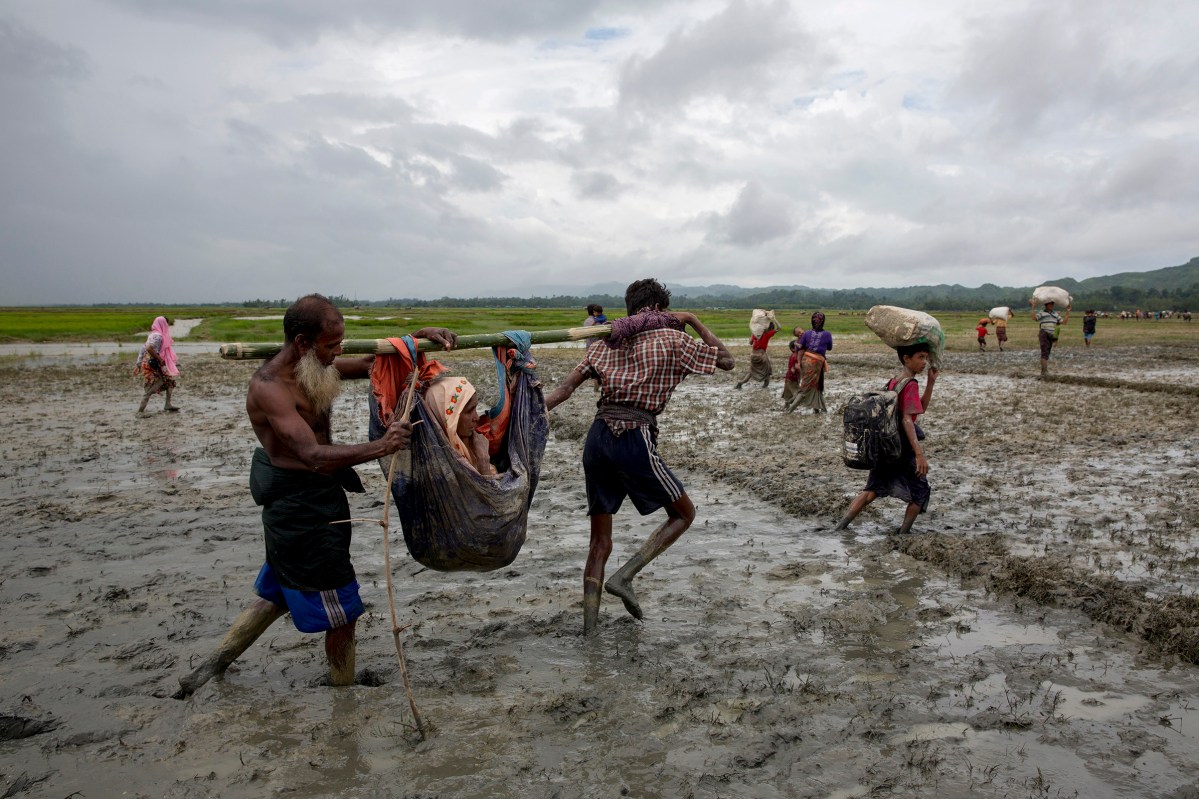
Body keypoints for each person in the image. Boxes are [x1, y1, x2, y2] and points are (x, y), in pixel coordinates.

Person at [174, 294, 455, 698]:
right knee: (342, 610)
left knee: (277, 591)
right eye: (331, 345)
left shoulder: (316, 365)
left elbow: (370, 364)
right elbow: (313, 456)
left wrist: (414, 341)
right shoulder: (271, 388)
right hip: (299, 506)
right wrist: (383, 444)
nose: (339, 351)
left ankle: (208, 668)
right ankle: (344, 694)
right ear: (303, 343)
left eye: (341, 343)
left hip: (317, 496)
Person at [543, 279, 734, 635]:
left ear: (630, 309)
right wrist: (691, 319)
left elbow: (565, 390)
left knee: (599, 542)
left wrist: (524, 414)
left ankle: (589, 632)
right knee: (684, 513)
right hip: (635, 437)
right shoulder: (675, 341)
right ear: (662, 310)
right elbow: (727, 361)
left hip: (597, 440)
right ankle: (624, 576)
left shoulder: (603, 344)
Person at [836, 342, 939, 535]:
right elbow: (908, 420)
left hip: (885, 446)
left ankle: (840, 527)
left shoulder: (893, 382)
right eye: (920, 357)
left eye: (926, 357)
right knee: (920, 492)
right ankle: (903, 535)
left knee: (871, 491)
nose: (924, 362)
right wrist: (919, 454)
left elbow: (919, 409)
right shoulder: (910, 384)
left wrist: (931, 383)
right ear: (906, 359)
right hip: (901, 448)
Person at [423, 375, 496, 475]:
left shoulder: (471, 446)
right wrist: (483, 462)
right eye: (469, 411)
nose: (477, 418)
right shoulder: (440, 467)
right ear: (447, 418)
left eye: (475, 408)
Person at [785, 312, 833, 413]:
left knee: (816, 385)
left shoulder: (807, 333)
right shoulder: (827, 334)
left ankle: (820, 409)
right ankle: (789, 409)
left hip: (805, 361)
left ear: (812, 321)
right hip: (816, 364)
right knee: (805, 389)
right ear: (823, 322)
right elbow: (829, 348)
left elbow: (800, 347)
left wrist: (796, 345)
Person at [136, 316, 181, 413]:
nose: (167, 326)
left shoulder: (153, 334)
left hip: (151, 362)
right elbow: (148, 348)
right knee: (156, 383)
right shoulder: (158, 336)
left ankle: (168, 404)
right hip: (151, 363)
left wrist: (138, 363)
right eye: (166, 324)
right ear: (163, 324)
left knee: (169, 381)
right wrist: (160, 359)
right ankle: (140, 411)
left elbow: (142, 348)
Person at [734, 312, 778, 390]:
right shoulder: (767, 334)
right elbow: (779, 328)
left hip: (753, 355)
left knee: (751, 371)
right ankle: (765, 386)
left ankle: (741, 383)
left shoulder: (755, 334)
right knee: (767, 371)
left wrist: (753, 332)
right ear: (770, 328)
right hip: (761, 355)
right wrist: (774, 319)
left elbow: (750, 342)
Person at [1031, 298, 1070, 377]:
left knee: (1047, 352)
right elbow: (1034, 318)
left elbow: (1064, 322)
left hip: (1051, 335)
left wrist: (1068, 312)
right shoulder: (1042, 313)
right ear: (1046, 305)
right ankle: (1044, 371)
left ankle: (1044, 371)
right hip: (1044, 333)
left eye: (1053, 304)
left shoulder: (1055, 314)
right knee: (1044, 352)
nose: (1052, 306)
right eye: (1050, 304)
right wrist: (1033, 307)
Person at [780, 325, 805, 406]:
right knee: (798, 394)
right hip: (792, 379)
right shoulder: (795, 356)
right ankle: (789, 405)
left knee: (788, 395)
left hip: (789, 378)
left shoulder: (793, 355)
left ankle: (786, 407)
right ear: (793, 349)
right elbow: (797, 367)